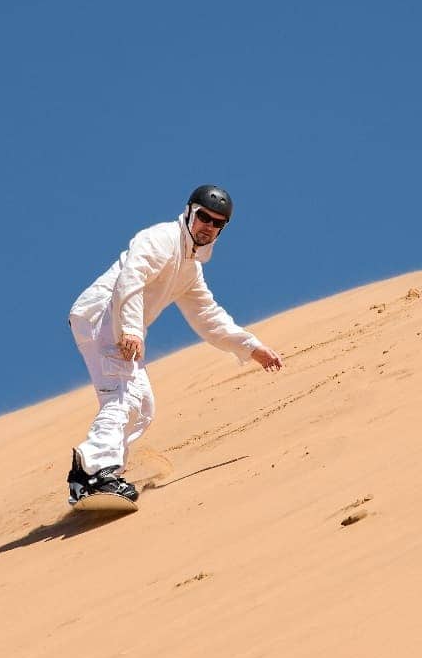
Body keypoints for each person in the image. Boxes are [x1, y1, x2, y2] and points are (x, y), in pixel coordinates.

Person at [65, 185, 283, 504]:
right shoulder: (161, 239)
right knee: (123, 395)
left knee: (142, 406)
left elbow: (208, 316)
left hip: (116, 322)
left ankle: (104, 474)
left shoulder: (189, 269)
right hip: (103, 315)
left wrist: (252, 348)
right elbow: (131, 278)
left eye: (216, 222)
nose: (208, 226)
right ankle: (92, 474)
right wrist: (130, 329)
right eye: (203, 217)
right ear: (189, 212)